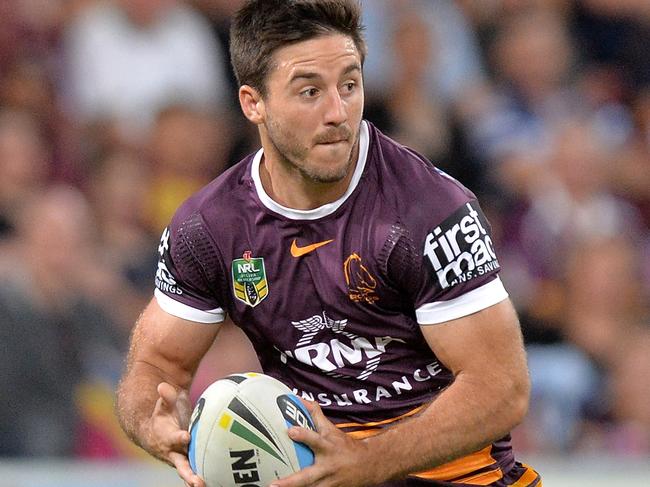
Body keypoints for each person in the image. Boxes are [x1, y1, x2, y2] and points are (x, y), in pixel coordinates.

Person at [116, 1, 539, 486]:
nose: (338, 113)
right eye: (310, 91)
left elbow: (502, 389)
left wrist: (369, 462)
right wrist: (152, 421)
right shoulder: (209, 227)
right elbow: (156, 365)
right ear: (253, 103)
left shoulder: (430, 210)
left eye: (350, 85)